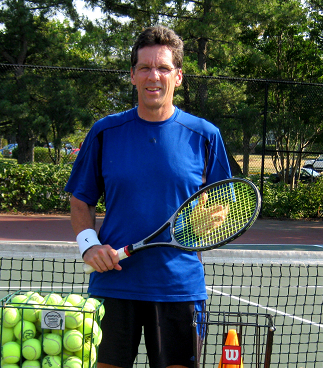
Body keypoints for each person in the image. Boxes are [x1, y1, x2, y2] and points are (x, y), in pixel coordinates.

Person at [65, 25, 231, 368]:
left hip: (178, 287)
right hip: (114, 284)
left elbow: (224, 204)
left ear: (179, 76)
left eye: (163, 68)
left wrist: (206, 221)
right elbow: (81, 197)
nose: (153, 76)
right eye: (145, 67)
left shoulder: (205, 135)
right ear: (132, 76)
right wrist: (89, 245)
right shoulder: (105, 131)